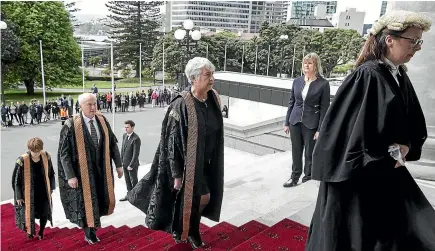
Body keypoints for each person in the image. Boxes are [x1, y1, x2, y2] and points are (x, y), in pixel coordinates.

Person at [306, 11, 435, 251]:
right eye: (413, 41)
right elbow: (350, 135)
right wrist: (383, 158)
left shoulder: (396, 73)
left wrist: (406, 145)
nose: (417, 48)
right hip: (360, 179)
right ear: (389, 40)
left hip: (381, 171)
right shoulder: (368, 75)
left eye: (419, 41)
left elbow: (406, 121)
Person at [128, 57, 224, 249]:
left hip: (208, 162)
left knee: (202, 198)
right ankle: (191, 232)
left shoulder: (212, 97)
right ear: (194, 78)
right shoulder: (181, 104)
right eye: (207, 75)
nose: (212, 78)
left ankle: (184, 229)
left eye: (212, 74)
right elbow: (171, 142)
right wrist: (176, 174)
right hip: (187, 165)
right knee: (200, 198)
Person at [57, 93, 123, 245]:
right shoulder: (71, 125)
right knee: (86, 203)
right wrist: (70, 176)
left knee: (98, 200)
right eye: (89, 105)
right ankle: (89, 233)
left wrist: (118, 165)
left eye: (95, 104)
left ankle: (94, 227)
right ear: (81, 106)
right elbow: (64, 154)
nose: (93, 107)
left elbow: (112, 143)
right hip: (82, 173)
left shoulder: (102, 120)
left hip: (101, 170)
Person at [283, 53, 330, 188]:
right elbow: (291, 102)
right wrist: (287, 122)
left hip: (311, 123)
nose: (306, 66)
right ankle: (294, 177)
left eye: (310, 63)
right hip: (295, 121)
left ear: (316, 65)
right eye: (305, 63)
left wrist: (320, 129)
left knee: (309, 152)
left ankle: (308, 176)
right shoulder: (297, 81)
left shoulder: (323, 84)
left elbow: (324, 109)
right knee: (296, 151)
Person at [12, 137, 55, 240]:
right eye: (33, 151)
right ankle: (30, 232)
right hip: (28, 193)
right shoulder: (22, 160)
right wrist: (18, 196)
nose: (36, 154)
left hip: (44, 191)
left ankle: (41, 232)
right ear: (29, 149)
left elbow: (51, 174)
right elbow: (16, 180)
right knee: (29, 214)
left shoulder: (46, 156)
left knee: (45, 212)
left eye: (38, 151)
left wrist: (51, 189)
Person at [119, 120, 141, 202]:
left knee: (134, 181)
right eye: (125, 127)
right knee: (127, 180)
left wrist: (131, 165)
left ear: (132, 127)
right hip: (125, 163)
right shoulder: (124, 135)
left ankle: (136, 197)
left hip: (132, 165)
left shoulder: (136, 139)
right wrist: (121, 160)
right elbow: (123, 148)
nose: (125, 129)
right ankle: (129, 195)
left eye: (127, 127)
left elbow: (136, 154)